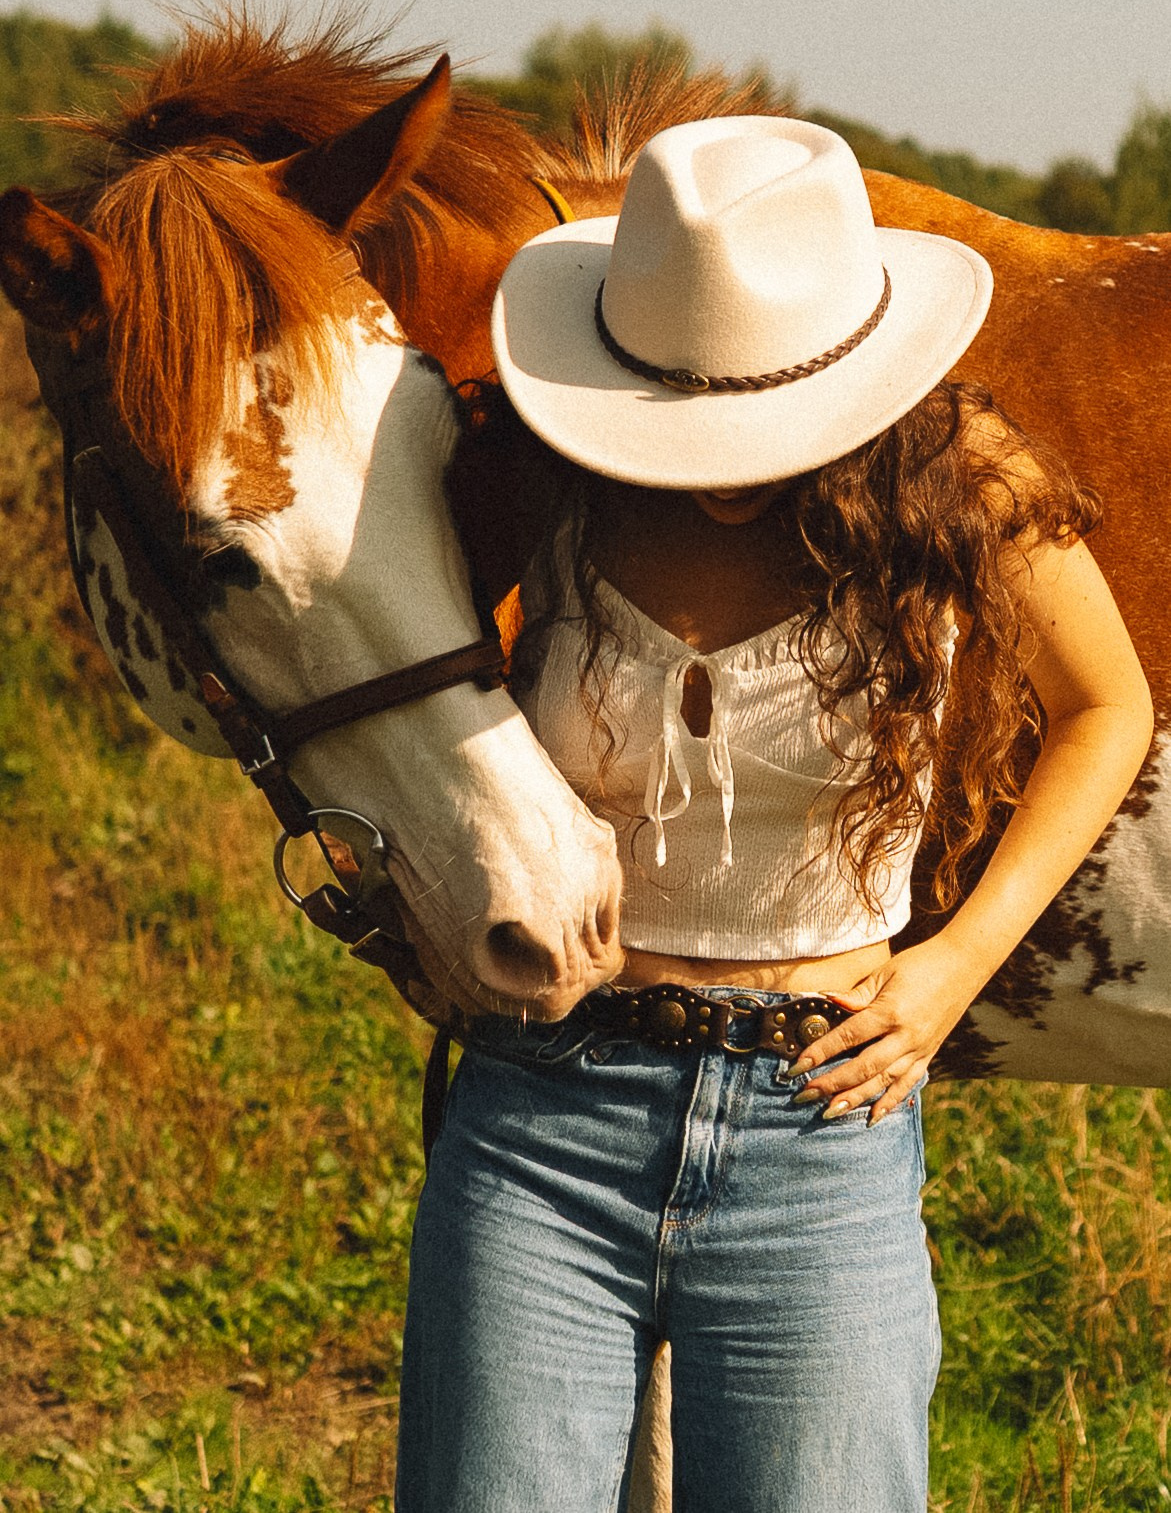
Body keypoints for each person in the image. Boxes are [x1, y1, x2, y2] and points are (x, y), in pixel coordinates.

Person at [394, 117, 1152, 1513]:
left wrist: (956, 964)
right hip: (542, 1115)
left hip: (820, 1129)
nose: (722, 450)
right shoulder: (547, 475)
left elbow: (1108, 707)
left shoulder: (958, 478)